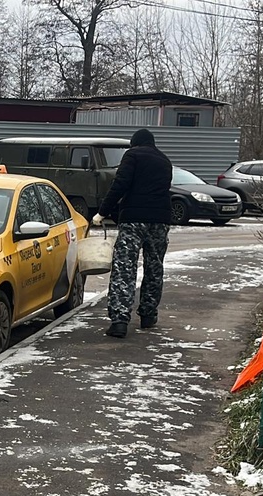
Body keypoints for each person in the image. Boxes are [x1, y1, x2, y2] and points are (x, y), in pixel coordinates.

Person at [91, 128, 172, 339]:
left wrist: (103, 211)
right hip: (160, 221)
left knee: (124, 268)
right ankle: (148, 315)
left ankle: (119, 320)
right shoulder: (165, 161)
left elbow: (120, 185)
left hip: (134, 220)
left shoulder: (133, 155)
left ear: (134, 143)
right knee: (154, 267)